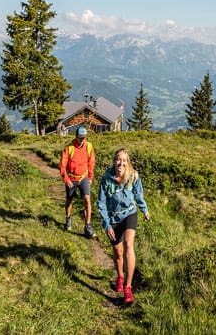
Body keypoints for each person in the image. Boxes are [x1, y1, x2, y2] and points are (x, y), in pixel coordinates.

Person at [98, 148, 150, 304]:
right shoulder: (106, 179)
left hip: (129, 213)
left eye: (124, 160)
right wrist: (107, 225)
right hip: (114, 217)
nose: (121, 163)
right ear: (114, 161)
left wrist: (144, 209)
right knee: (118, 252)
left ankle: (128, 288)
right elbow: (101, 203)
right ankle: (120, 276)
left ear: (128, 162)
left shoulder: (133, 175)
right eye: (118, 159)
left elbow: (138, 194)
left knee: (128, 244)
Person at [58, 126, 97, 238]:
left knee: (87, 200)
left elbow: (91, 163)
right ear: (76, 137)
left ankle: (87, 227)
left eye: (84, 138)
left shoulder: (89, 147)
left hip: (83, 177)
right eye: (80, 138)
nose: (82, 140)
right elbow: (62, 165)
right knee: (69, 200)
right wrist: (66, 180)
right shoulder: (69, 148)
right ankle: (68, 220)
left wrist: (90, 178)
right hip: (71, 179)